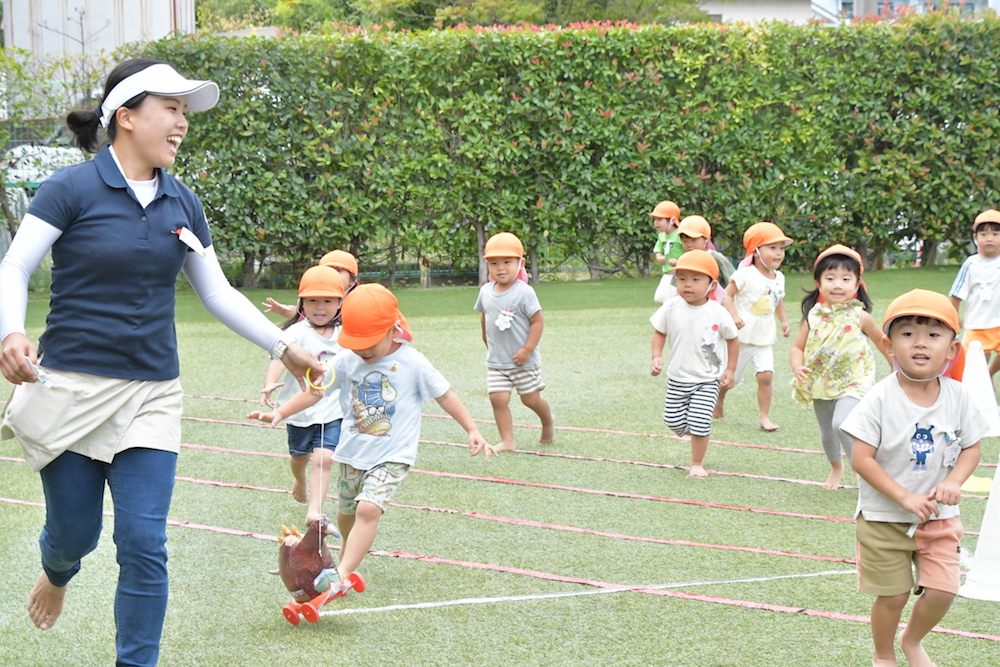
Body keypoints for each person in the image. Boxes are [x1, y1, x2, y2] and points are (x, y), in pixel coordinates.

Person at [0, 58, 323, 666]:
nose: (181, 123)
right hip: (70, 388)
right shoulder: (68, 189)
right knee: (75, 535)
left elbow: (218, 291)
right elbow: (14, 266)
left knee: (144, 541)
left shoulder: (184, 203)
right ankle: (57, 568)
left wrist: (286, 346)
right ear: (126, 117)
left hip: (152, 393)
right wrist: (11, 332)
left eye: (184, 111)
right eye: (170, 109)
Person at [248, 283, 495, 591]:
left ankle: (342, 572)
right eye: (356, 341)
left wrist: (472, 428)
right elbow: (315, 393)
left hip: (393, 454)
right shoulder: (347, 359)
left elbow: (445, 395)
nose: (362, 349)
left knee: (368, 508)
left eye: (369, 342)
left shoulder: (413, 363)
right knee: (347, 511)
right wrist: (281, 413)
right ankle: (347, 558)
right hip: (353, 452)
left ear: (393, 330)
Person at [841, 289, 985, 667]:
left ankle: (912, 640)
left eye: (934, 335)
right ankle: (883, 653)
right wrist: (903, 497)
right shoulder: (879, 398)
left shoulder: (959, 397)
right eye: (907, 334)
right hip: (883, 519)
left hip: (938, 518)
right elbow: (861, 458)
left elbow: (972, 448)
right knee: (892, 597)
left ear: (952, 350)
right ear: (889, 346)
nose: (920, 342)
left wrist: (954, 481)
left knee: (943, 591)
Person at [790, 244, 890, 490]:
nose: (838, 284)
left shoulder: (860, 316)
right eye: (830, 278)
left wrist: (896, 368)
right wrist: (797, 367)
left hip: (854, 380)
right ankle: (837, 467)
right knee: (827, 433)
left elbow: (881, 341)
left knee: (842, 423)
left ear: (857, 286)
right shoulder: (813, 316)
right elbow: (796, 348)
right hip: (821, 380)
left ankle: (861, 469)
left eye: (846, 279)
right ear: (819, 283)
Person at [260, 264, 345, 526]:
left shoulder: (346, 333)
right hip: (299, 409)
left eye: (328, 301)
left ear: (341, 302)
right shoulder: (295, 332)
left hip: (333, 409)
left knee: (324, 458)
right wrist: (270, 383)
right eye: (312, 301)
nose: (320, 307)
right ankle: (299, 478)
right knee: (299, 458)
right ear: (301, 303)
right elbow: (279, 357)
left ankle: (315, 510)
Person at [650, 250, 739, 478]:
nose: (687, 285)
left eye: (695, 279)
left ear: (712, 285)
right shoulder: (671, 307)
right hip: (677, 378)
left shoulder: (717, 311)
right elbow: (659, 331)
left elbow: (732, 338)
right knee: (673, 421)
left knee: (699, 423)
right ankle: (698, 429)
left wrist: (730, 368)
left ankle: (696, 463)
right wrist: (656, 356)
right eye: (682, 279)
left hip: (708, 379)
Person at [474, 231, 555, 451]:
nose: (501, 268)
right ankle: (508, 440)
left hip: (523, 361)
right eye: (494, 263)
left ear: (521, 263)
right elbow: (485, 318)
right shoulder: (485, 292)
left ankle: (547, 422)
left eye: (507, 262)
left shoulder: (525, 293)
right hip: (497, 361)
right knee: (497, 399)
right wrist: (486, 341)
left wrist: (527, 350)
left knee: (530, 400)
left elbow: (537, 322)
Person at [715, 221, 793, 430]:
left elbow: (777, 300)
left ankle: (764, 417)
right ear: (756, 251)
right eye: (772, 248)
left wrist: (783, 321)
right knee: (729, 379)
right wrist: (733, 316)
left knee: (766, 376)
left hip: (764, 339)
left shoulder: (779, 278)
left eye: (781, 249)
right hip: (738, 340)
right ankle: (719, 400)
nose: (778, 253)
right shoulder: (745, 274)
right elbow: (726, 296)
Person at [949, 208, 1000, 379]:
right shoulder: (971, 264)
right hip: (977, 323)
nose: (989, 238)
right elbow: (956, 294)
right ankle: (981, 382)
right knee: (976, 360)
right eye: (984, 234)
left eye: (995, 234)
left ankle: (989, 374)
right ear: (976, 238)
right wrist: (954, 316)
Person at [672, 215, 738, 321]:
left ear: (706, 239)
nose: (689, 245)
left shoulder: (716, 258)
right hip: (691, 307)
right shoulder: (684, 259)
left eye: (694, 240)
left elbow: (733, 280)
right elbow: (677, 286)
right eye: (685, 241)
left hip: (716, 305)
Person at [263, 249, 359, 321]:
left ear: (352, 279)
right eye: (327, 270)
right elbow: (303, 314)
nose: (332, 274)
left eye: (338, 271)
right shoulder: (315, 294)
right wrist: (285, 310)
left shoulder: (360, 299)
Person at [650, 200, 683, 304]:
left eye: (660, 219)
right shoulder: (662, 236)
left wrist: (679, 262)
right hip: (667, 273)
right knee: (659, 297)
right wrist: (659, 257)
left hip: (679, 275)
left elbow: (690, 253)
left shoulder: (680, 235)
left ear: (672, 220)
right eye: (655, 219)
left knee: (673, 300)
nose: (656, 223)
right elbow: (658, 250)